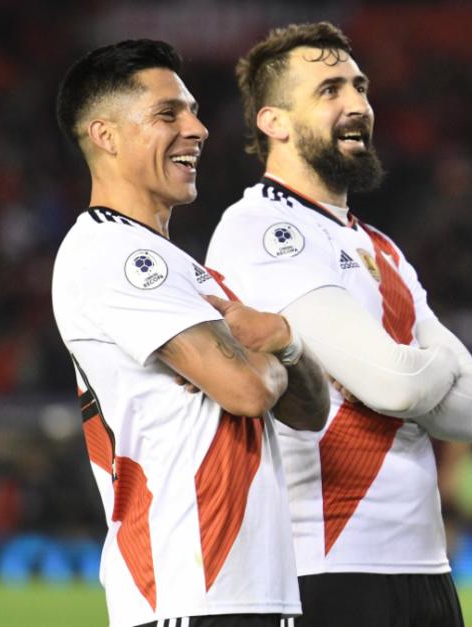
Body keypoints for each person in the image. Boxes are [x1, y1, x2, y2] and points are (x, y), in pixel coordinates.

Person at [204, 21, 472, 627]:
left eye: (360, 87)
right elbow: (398, 386)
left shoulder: (382, 248)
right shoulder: (263, 228)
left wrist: (405, 372)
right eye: (329, 90)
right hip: (326, 567)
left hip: (427, 568)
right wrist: (427, 364)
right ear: (274, 121)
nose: (358, 104)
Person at [51, 39, 329, 627]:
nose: (197, 129)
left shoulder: (191, 272)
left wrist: (284, 338)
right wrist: (262, 353)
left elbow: (310, 412)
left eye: (194, 111)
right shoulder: (108, 251)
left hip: (258, 592)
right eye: (167, 113)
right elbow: (249, 392)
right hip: (185, 591)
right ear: (105, 135)